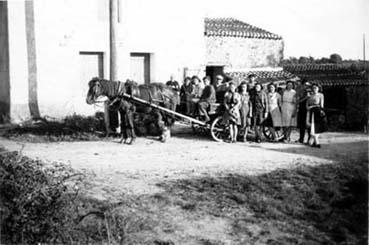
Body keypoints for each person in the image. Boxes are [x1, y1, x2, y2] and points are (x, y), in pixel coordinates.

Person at [306, 83, 327, 148]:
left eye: (316, 87)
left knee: (317, 126)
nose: (314, 89)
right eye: (313, 87)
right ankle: (316, 142)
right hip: (311, 112)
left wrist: (322, 111)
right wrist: (308, 108)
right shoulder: (310, 95)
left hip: (318, 111)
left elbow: (322, 105)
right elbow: (307, 105)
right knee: (312, 126)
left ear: (318, 88)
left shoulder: (321, 95)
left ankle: (312, 141)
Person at [296, 79, 311, 143]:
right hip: (302, 109)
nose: (306, 86)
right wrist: (306, 97)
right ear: (302, 85)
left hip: (309, 109)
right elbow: (298, 101)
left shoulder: (311, 91)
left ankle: (309, 139)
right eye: (305, 85)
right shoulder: (300, 92)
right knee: (302, 125)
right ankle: (301, 139)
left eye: (307, 85)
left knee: (309, 125)